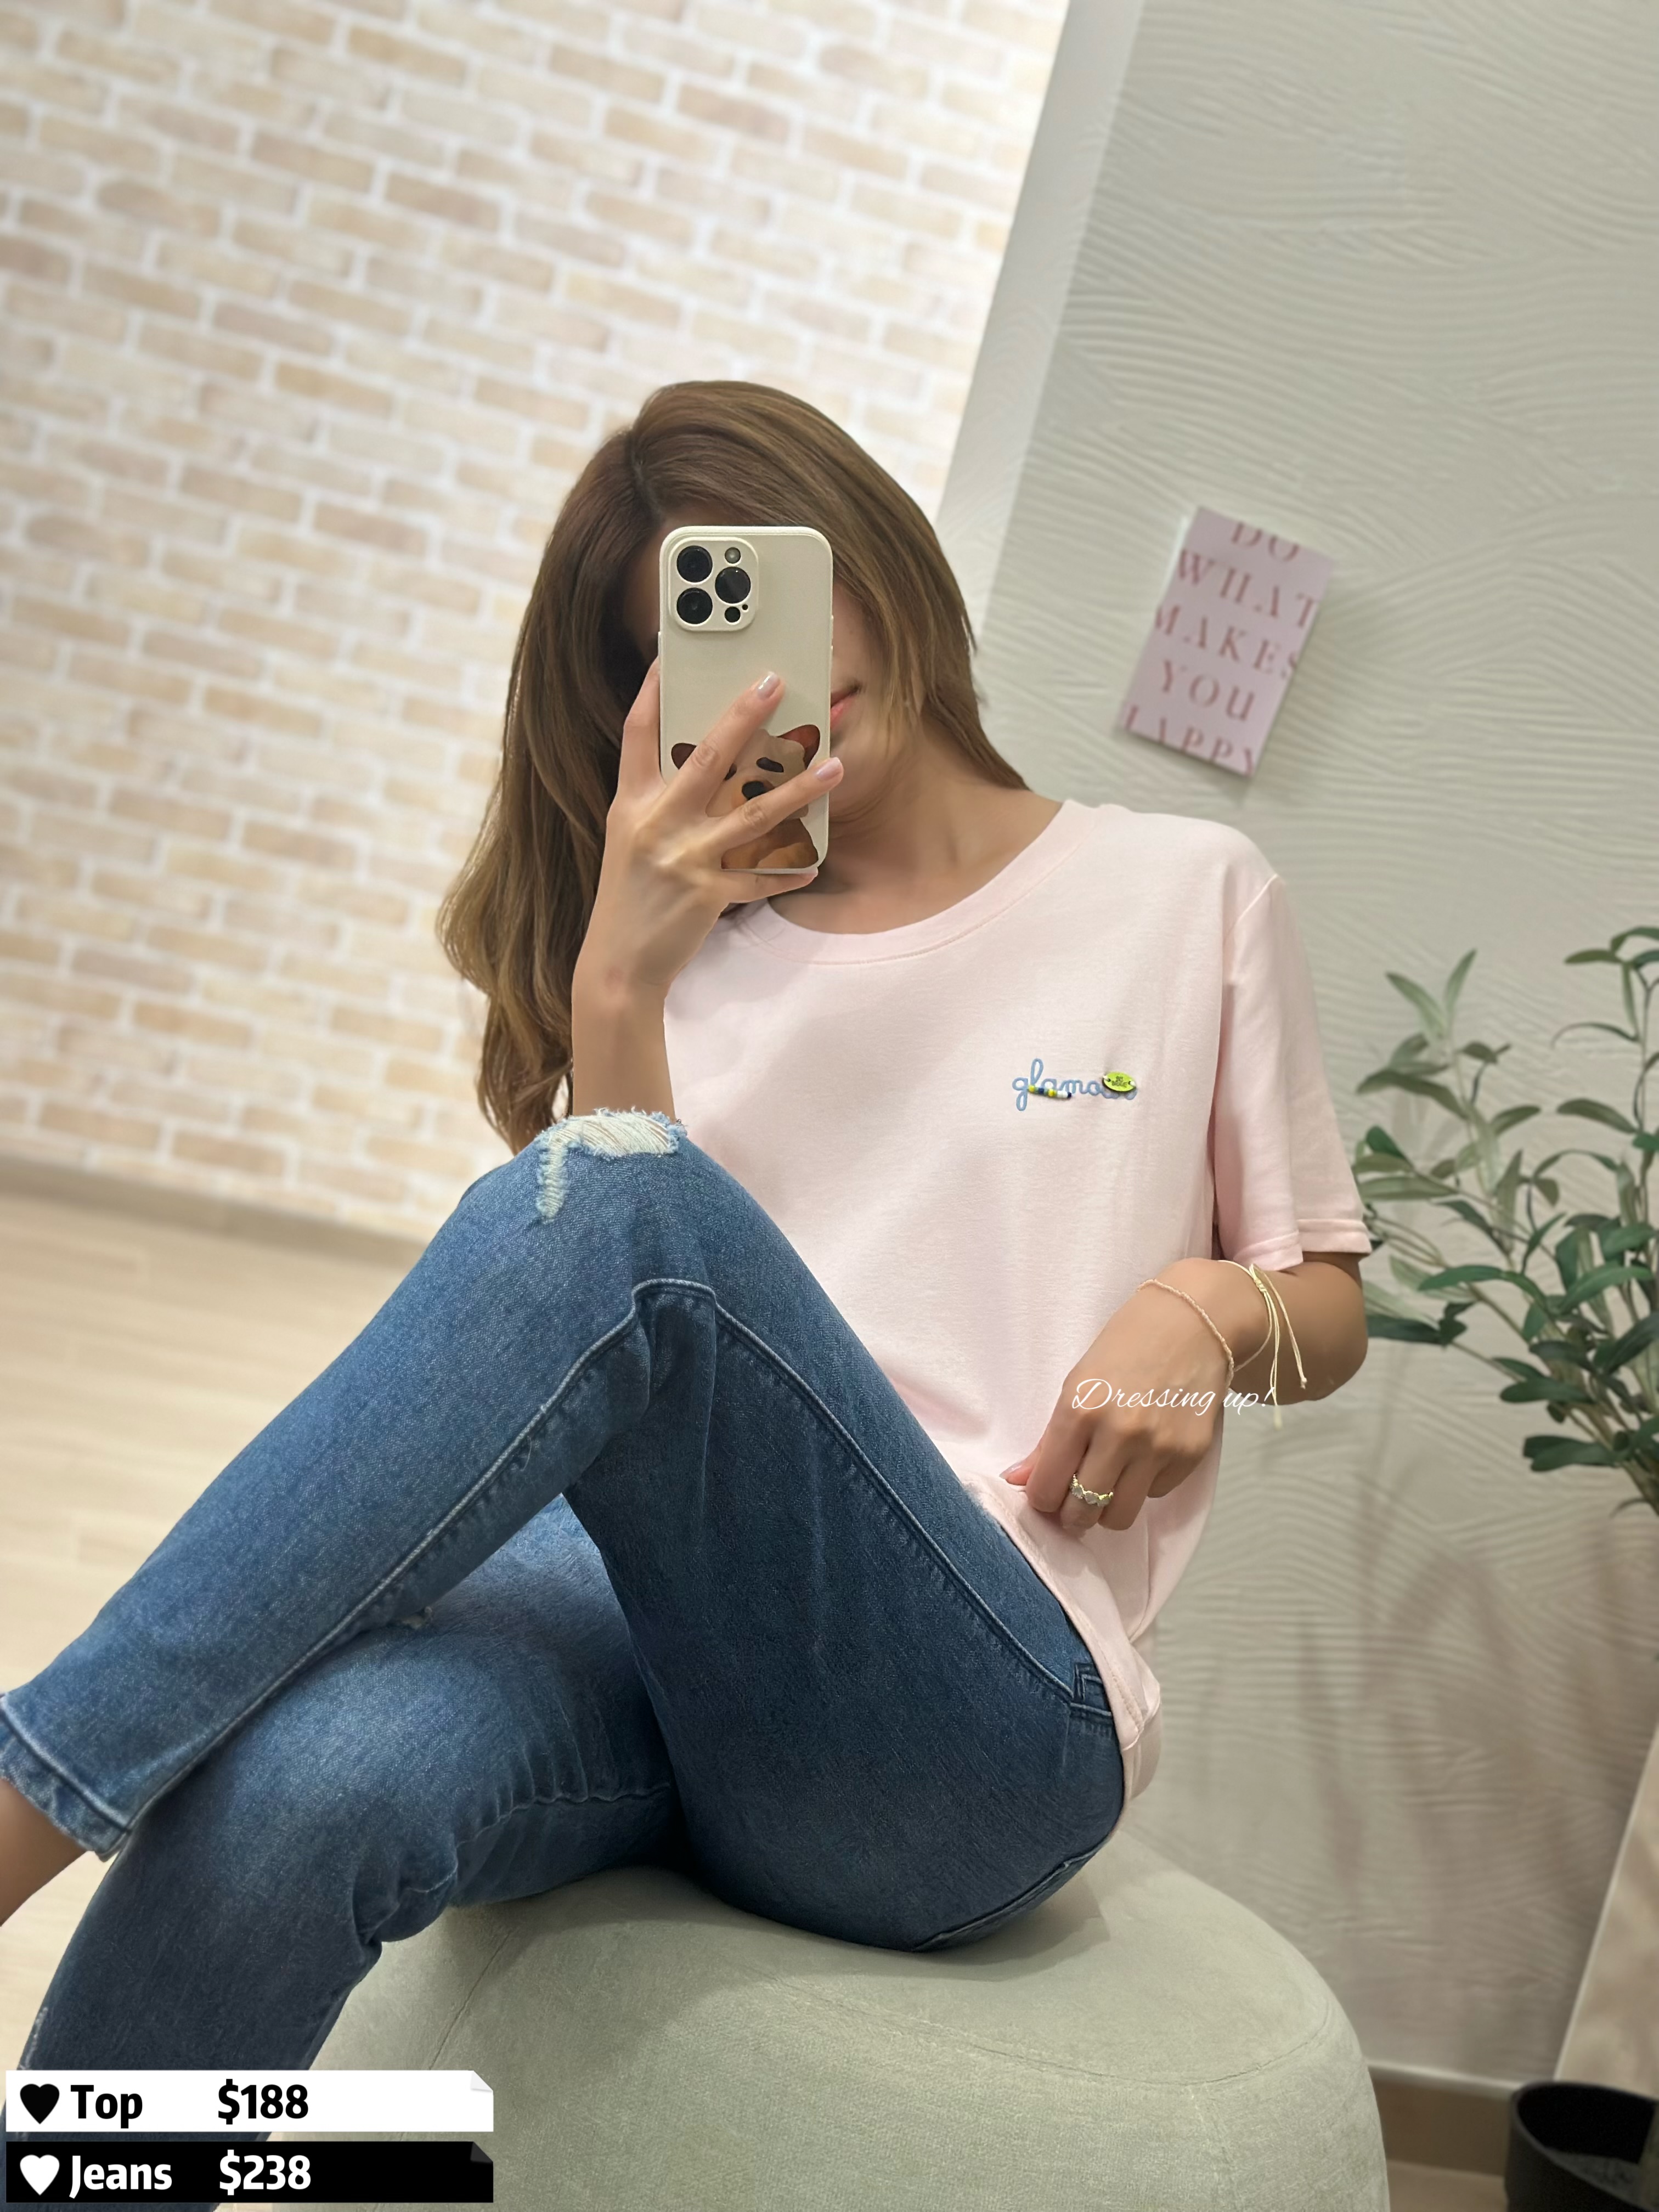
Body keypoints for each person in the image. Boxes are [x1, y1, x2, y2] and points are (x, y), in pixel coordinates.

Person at [0, 382, 1370, 2095]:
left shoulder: (1184, 893)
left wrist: (1211, 1314)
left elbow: (1328, 1305)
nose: (784, 668)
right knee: (304, 1789)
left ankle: (25, 1796)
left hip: (972, 1705)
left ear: (878, 550)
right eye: (704, 639)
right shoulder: (682, 948)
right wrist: (620, 982)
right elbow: (615, 1362)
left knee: (625, 1199)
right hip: (646, 1648)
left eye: (780, 584)